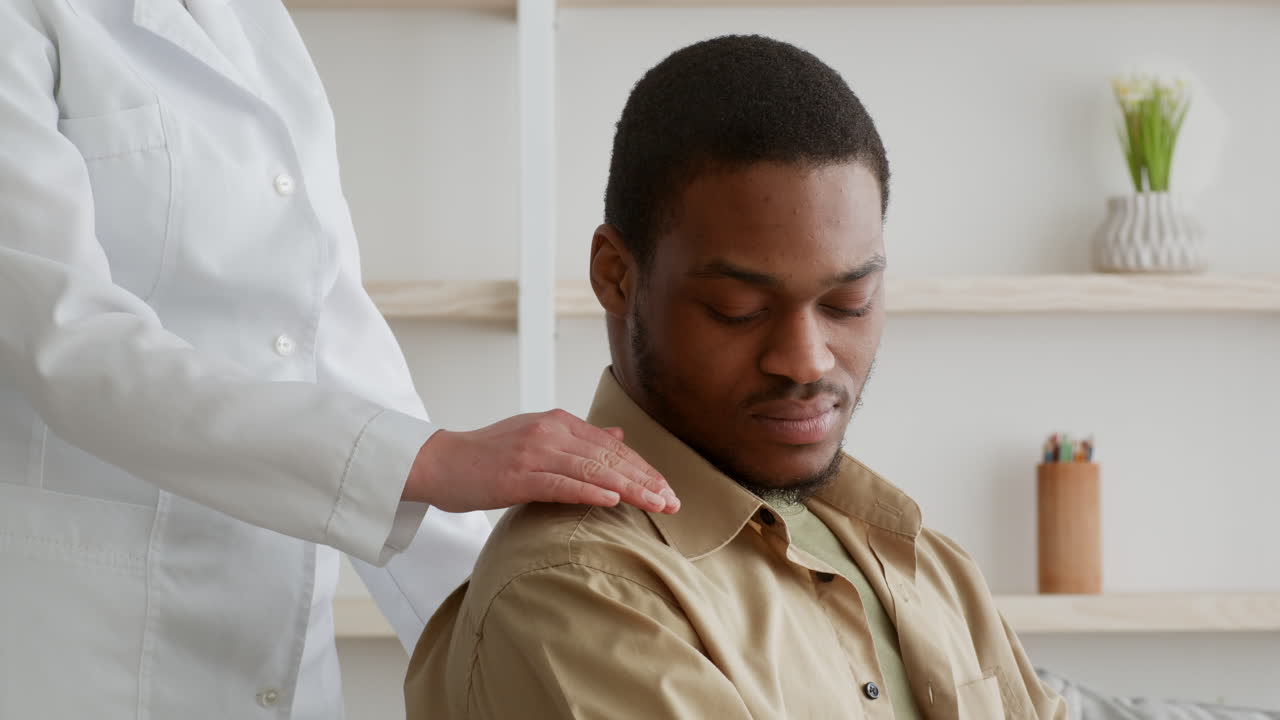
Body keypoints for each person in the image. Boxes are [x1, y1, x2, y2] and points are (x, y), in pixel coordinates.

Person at [0, 2, 677, 718]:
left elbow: (327, 332)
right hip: (85, 639)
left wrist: (510, 621)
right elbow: (64, 343)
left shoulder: (252, 19)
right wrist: (425, 461)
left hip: (280, 638)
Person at [406, 35, 1068, 719]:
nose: (807, 361)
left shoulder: (928, 563)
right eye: (739, 309)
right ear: (616, 275)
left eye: (848, 302)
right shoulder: (572, 589)